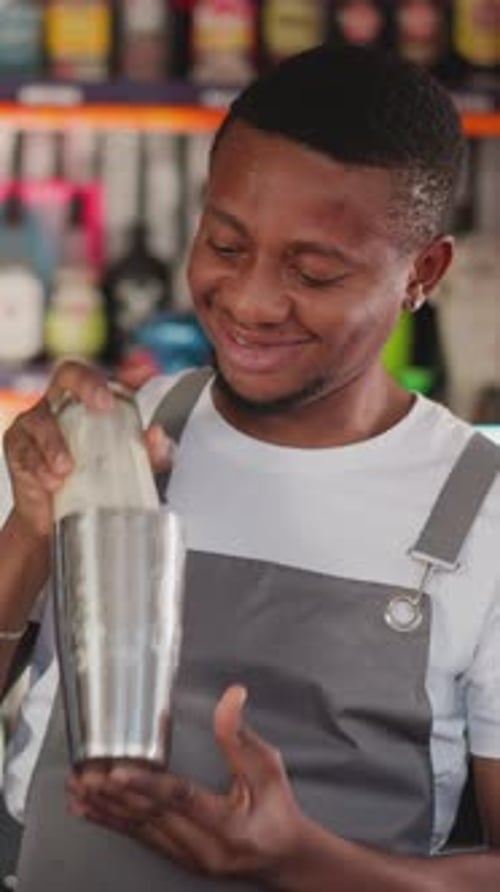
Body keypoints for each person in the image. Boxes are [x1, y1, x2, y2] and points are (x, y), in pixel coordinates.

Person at [0, 44, 500, 891]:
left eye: (314, 271)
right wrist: (31, 529)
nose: (252, 302)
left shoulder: (482, 512)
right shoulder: (128, 430)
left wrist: (304, 861)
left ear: (423, 272)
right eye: (225, 245)